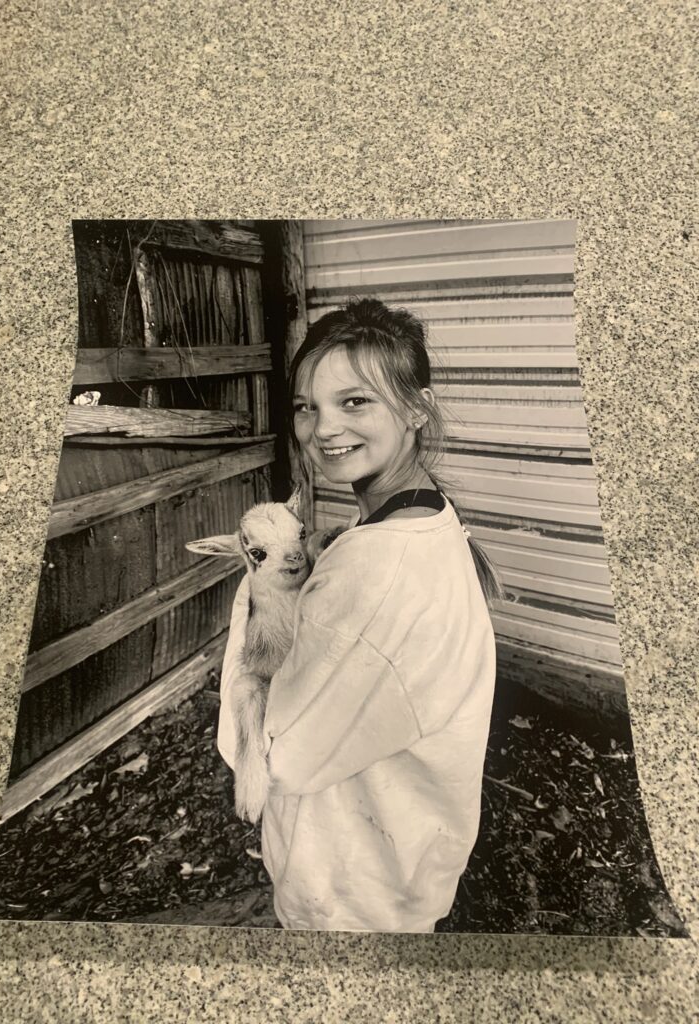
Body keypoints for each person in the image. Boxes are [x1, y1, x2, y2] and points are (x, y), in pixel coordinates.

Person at [218, 297, 501, 932]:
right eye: (306, 406)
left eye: (354, 402)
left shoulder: (377, 568)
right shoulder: (416, 517)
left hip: (350, 894)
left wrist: (261, 580)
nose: (322, 429)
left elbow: (279, 752)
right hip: (397, 865)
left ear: (416, 409)